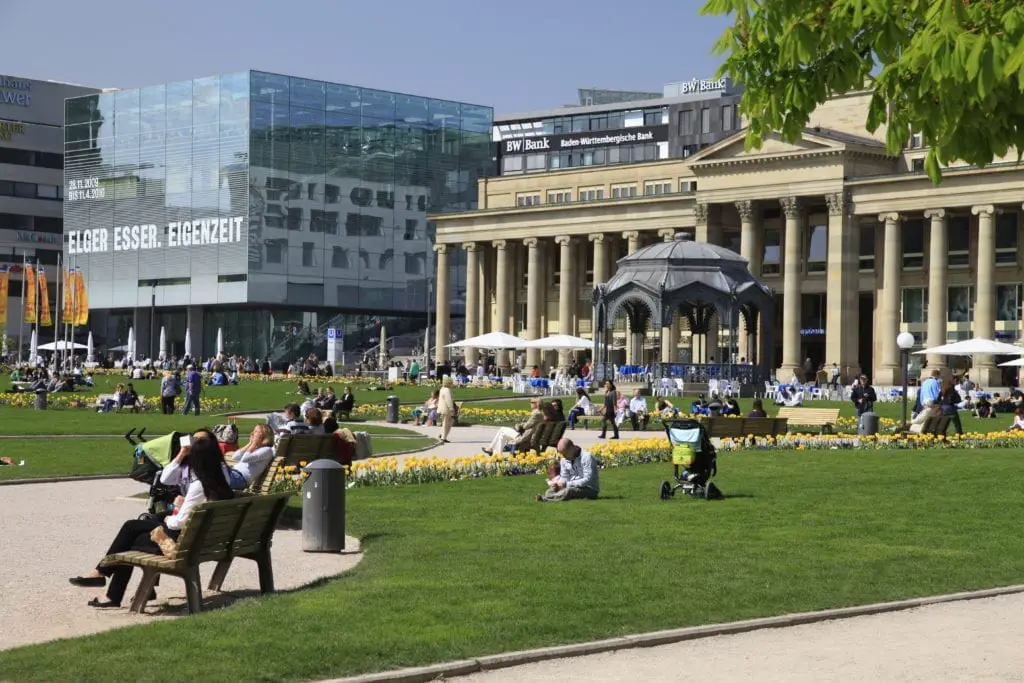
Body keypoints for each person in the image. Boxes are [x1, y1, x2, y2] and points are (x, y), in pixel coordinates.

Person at [68, 430, 233, 607]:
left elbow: (178, 523)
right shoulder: (219, 477)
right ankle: (105, 579)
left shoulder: (198, 484)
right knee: (134, 527)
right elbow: (169, 481)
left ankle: (106, 582)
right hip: (204, 538)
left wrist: (174, 511)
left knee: (129, 535)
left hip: (184, 544)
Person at [226, 424, 275, 490]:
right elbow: (235, 457)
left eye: (256, 431)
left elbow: (245, 459)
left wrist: (253, 444)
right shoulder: (253, 448)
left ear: (264, 435)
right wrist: (249, 443)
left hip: (240, 478)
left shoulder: (267, 450)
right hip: (232, 474)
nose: (252, 433)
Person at [437, 377, 456, 443]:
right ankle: (443, 437)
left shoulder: (442, 389)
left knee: (445, 422)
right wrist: (451, 409)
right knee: (447, 423)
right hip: (446, 409)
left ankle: (442, 434)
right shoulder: (447, 390)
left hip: (442, 408)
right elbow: (449, 400)